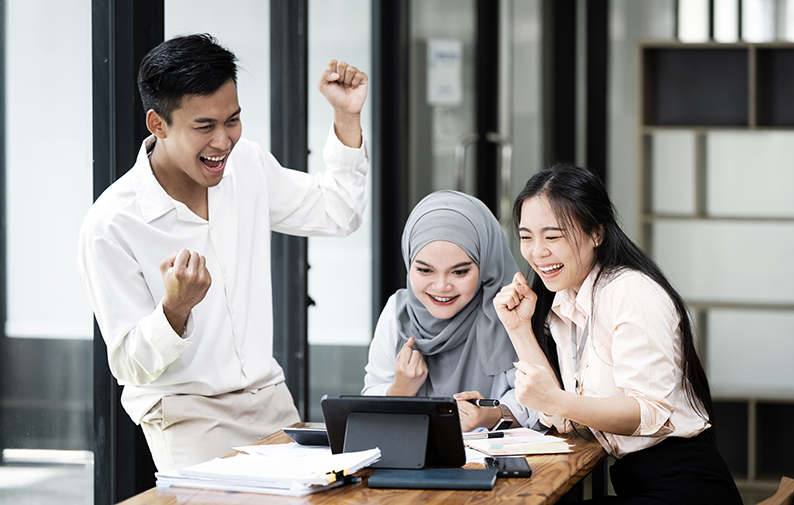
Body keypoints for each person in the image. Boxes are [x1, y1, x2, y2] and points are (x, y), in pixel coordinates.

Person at [77, 34, 370, 472]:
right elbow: (130, 367)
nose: (223, 141)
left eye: (232, 120)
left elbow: (338, 213)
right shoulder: (112, 225)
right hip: (188, 414)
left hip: (270, 400)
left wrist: (346, 119)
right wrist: (174, 309)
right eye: (204, 126)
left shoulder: (246, 164)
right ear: (157, 124)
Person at [493, 165, 743, 504]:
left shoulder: (629, 292)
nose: (537, 252)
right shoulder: (567, 301)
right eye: (526, 237)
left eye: (552, 236)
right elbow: (564, 418)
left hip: (686, 488)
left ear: (596, 233)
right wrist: (519, 328)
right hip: (640, 482)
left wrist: (555, 400)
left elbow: (649, 413)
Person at [362, 190, 539, 432]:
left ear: (485, 264)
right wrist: (400, 390)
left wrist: (491, 416)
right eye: (425, 270)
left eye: (459, 272)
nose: (441, 287)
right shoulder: (398, 311)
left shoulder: (509, 312)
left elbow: (541, 404)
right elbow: (370, 396)